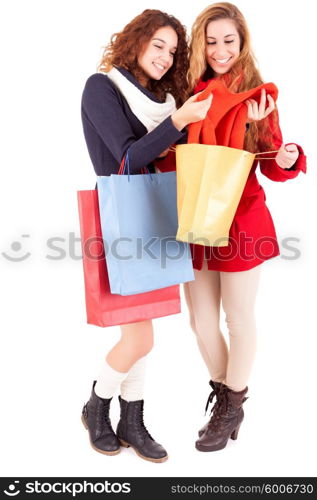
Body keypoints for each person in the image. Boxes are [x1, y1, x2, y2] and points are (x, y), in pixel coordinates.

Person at [80, 9, 212, 463]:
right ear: (135, 41)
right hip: (120, 222)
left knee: (145, 328)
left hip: (155, 220)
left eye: (172, 51)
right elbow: (125, 162)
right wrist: (176, 125)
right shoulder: (102, 88)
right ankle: (96, 406)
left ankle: (131, 422)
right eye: (157, 44)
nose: (164, 56)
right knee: (141, 337)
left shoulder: (164, 100)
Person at [184, 2, 307, 452]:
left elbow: (272, 163)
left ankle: (230, 406)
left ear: (242, 42)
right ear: (201, 44)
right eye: (211, 41)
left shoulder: (259, 94)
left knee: (237, 317)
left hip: (241, 217)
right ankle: (227, 395)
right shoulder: (190, 91)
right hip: (196, 215)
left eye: (228, 41)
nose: (219, 50)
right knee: (200, 321)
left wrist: (286, 154)